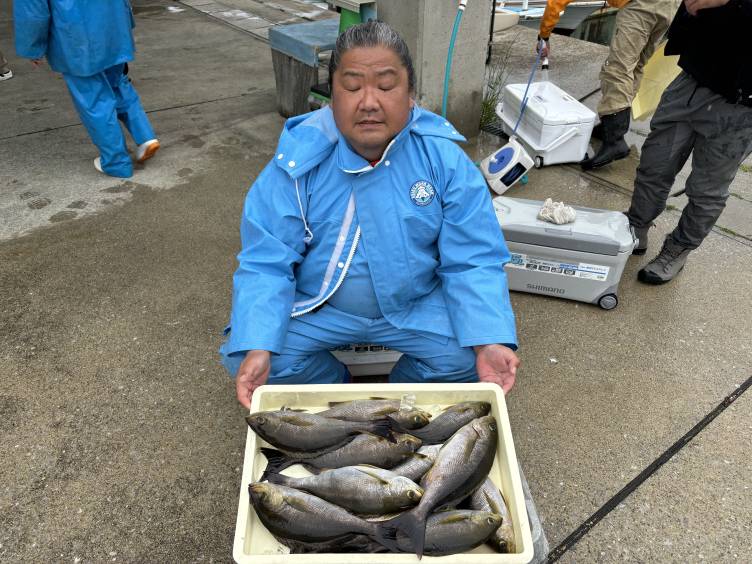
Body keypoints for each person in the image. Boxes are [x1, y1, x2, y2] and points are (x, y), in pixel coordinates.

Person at [221, 21, 520, 409]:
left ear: (410, 95)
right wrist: (258, 344)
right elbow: (266, 262)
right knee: (251, 357)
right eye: (351, 87)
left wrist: (490, 339)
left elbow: (473, 259)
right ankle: (336, 386)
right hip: (322, 308)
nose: (368, 102)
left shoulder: (445, 161)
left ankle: (398, 398)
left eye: (386, 85)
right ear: (331, 97)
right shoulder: (296, 163)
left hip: (414, 306)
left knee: (472, 357)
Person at [627, 0, 752, 283]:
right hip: (690, 80)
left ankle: (678, 248)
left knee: (707, 190)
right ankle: (636, 224)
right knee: (654, 165)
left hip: (740, 106)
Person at [13, 0, 159, 178]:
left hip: (75, 36)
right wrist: (126, 21)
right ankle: (145, 136)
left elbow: (32, 12)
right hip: (113, 26)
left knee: (94, 99)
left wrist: (33, 47)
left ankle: (116, 162)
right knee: (118, 83)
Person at [536, 0, 677, 170]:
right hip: (669, 6)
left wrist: (544, 36)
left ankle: (615, 140)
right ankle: (610, 128)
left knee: (618, 69)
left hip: (641, 6)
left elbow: (556, 2)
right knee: (635, 65)